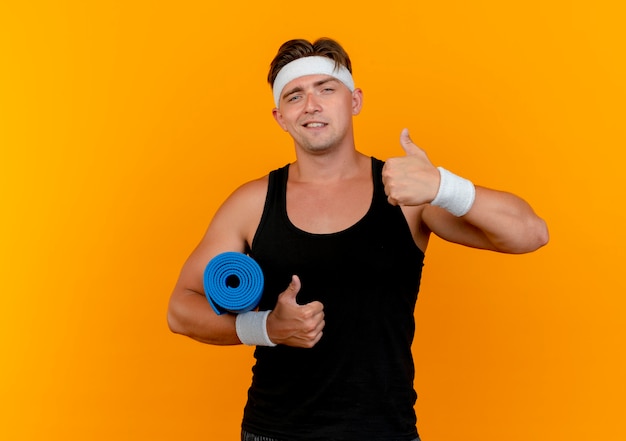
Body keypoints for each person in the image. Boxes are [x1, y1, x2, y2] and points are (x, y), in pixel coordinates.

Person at [167, 37, 549, 441]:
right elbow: (180, 310)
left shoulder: (407, 195)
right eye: (296, 95)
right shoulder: (252, 202)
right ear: (281, 117)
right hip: (274, 431)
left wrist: (443, 186)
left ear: (354, 101)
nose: (311, 105)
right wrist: (266, 328)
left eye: (326, 89)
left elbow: (530, 233)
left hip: (385, 431)